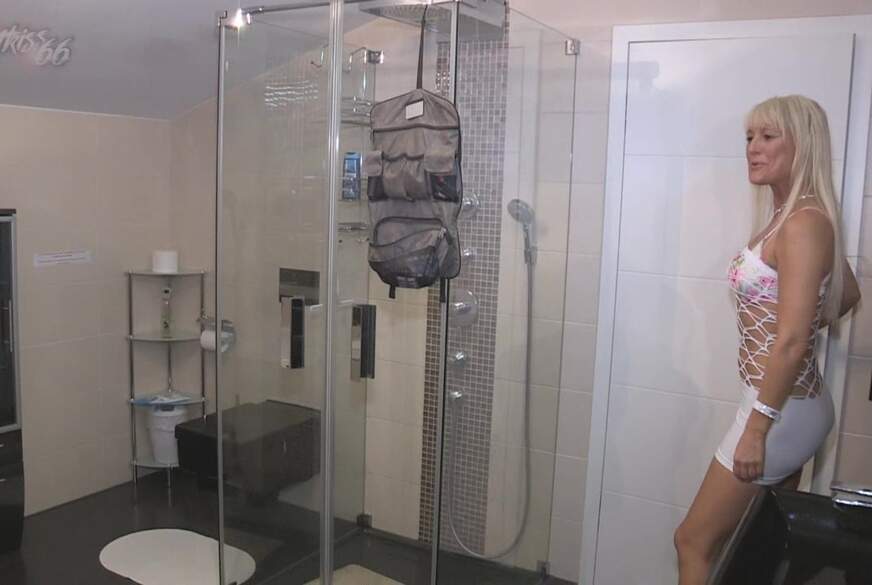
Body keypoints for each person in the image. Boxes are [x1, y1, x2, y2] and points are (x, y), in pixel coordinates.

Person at [673, 95, 862, 585]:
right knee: (758, 547)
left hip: (779, 410)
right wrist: (794, 323)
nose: (753, 148)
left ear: (803, 145)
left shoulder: (803, 223)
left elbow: (794, 340)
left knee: (692, 541)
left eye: (768, 136)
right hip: (788, 404)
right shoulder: (796, 215)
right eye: (749, 137)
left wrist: (757, 428)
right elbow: (847, 293)